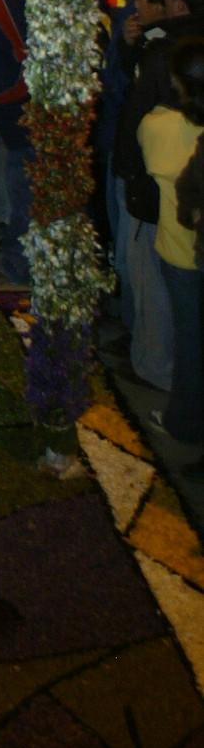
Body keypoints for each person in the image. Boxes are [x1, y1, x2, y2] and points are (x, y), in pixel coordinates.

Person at [141, 38, 204, 459]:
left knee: (190, 339)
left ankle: (184, 420)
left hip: (183, 252)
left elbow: (153, 162)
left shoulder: (160, 124)